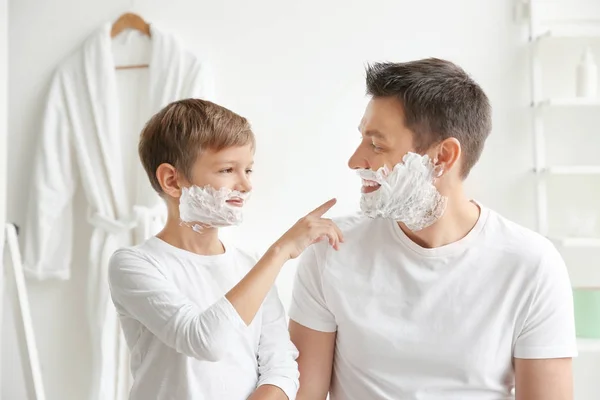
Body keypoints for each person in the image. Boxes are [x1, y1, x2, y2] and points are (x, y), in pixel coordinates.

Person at [289, 58, 577, 400]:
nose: (355, 161)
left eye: (377, 145)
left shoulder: (531, 265)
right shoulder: (331, 249)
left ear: (442, 157)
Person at [108, 99, 343, 400]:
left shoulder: (249, 266)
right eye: (228, 170)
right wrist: (281, 250)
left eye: (248, 170)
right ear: (172, 180)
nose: (246, 185)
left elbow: (280, 365)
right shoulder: (135, 265)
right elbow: (204, 340)